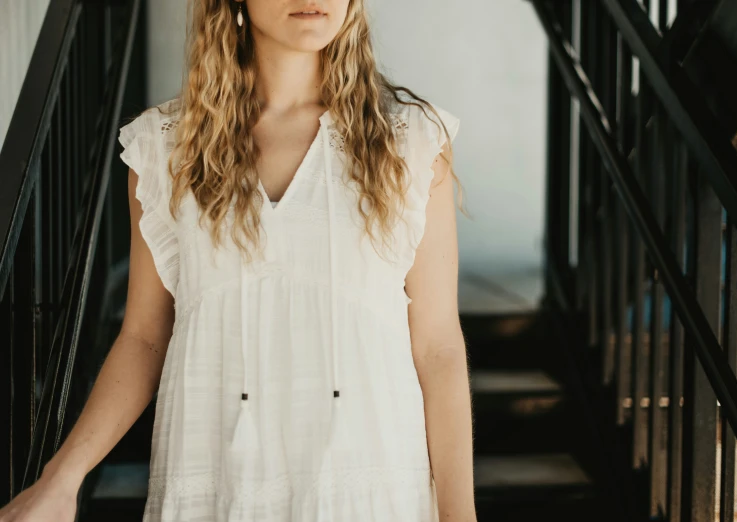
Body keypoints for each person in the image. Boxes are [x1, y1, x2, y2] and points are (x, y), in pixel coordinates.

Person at [0, 0, 475, 520]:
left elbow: (438, 348)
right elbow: (143, 337)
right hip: (214, 482)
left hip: (371, 484)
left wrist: (459, 513)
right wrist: (62, 477)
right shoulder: (167, 149)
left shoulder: (408, 142)